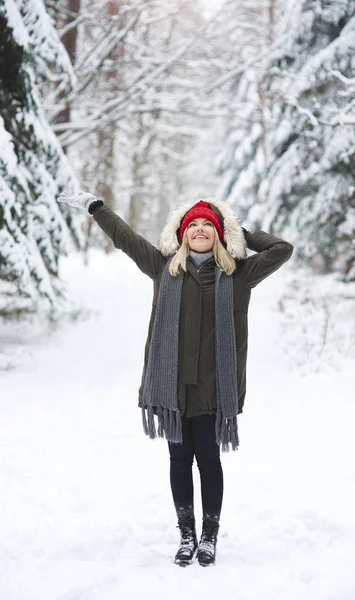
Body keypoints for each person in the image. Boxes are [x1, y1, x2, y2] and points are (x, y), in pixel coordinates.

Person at [57, 191, 294, 567]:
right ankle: (187, 535)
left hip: (214, 388)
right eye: (193, 225)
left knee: (209, 461)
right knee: (179, 461)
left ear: (218, 234)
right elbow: (127, 240)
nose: (200, 230)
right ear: (182, 234)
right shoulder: (164, 268)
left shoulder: (239, 274)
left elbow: (282, 248)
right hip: (172, 388)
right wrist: (96, 209)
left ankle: (209, 538)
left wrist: (241, 233)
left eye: (208, 226)